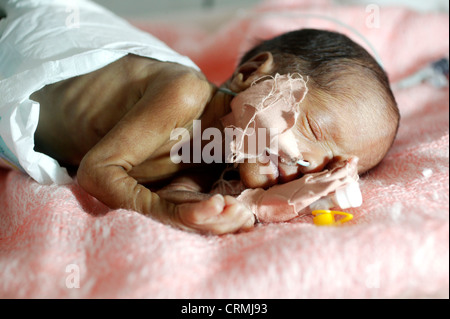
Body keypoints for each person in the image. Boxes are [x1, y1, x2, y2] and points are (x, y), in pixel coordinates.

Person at [1, 1, 399, 235]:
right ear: (250, 75)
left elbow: (177, 193)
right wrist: (165, 214)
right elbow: (97, 170)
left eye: (329, 166)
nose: (311, 164)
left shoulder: (215, 164)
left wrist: (214, 211)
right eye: (314, 128)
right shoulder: (183, 93)